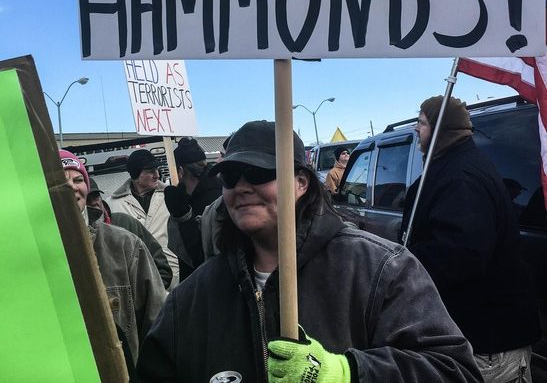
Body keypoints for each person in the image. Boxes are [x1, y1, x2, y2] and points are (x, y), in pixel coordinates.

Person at [136, 120, 483, 383]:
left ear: (301, 183)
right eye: (229, 177)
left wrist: (345, 372)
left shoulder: (380, 269)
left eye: (258, 173)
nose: (241, 186)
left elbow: (455, 370)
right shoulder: (192, 298)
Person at [399, 96, 541, 382]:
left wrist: (404, 266)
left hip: (488, 346)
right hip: (475, 338)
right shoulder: (453, 166)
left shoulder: (461, 176)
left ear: (442, 129)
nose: (416, 128)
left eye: (422, 122)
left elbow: (460, 254)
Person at [60, 150, 167, 376]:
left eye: (78, 179)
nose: (72, 187)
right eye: (62, 180)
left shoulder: (124, 244)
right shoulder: (35, 254)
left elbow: (158, 323)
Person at [108, 148, 179, 286]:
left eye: (157, 170)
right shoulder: (112, 205)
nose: (157, 175)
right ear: (136, 175)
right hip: (136, 281)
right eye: (150, 171)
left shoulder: (171, 197)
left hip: (174, 276)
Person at [87, 177, 173, 289]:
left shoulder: (126, 222)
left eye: (96, 196)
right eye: (87, 199)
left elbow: (161, 267)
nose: (94, 202)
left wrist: (149, 297)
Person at [164, 137, 222, 281]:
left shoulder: (211, 204)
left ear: (180, 171)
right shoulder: (221, 191)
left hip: (206, 288)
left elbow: (197, 258)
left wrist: (181, 215)